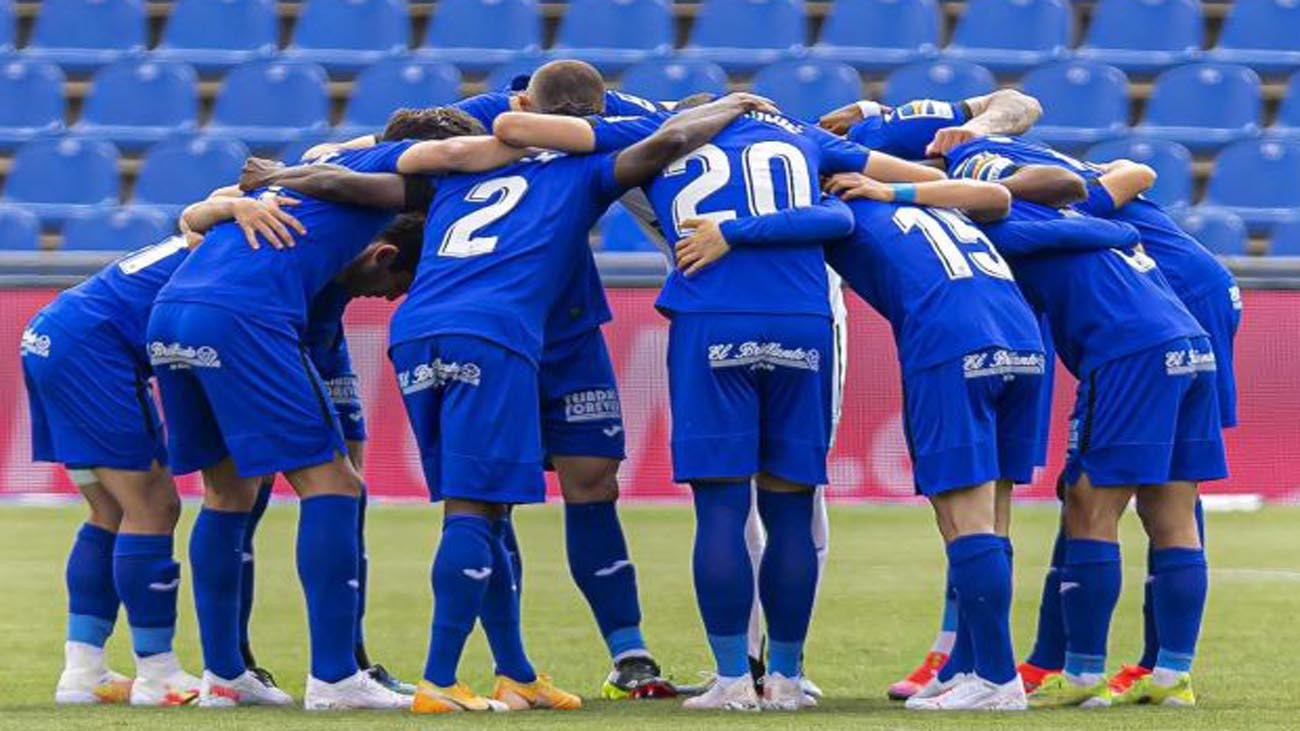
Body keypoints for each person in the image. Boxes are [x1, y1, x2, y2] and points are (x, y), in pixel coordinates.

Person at [381, 92, 776, 713]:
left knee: (541, 491)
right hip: (498, 332)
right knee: (480, 507)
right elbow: (667, 140)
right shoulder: (575, 163)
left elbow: (385, 155)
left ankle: (535, 669)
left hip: (442, 331)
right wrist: (735, 105)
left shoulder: (455, 169)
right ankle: (442, 680)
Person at [301, 62, 678, 699]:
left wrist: (285, 175)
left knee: (588, 482)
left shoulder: (491, 143)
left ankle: (613, 657)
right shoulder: (497, 133)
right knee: (483, 501)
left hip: (551, 329)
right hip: (500, 326)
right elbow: (373, 149)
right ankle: (455, 677)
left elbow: (342, 159)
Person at [146, 117, 516, 710]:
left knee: (227, 493)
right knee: (335, 484)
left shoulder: (315, 175)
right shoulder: (375, 170)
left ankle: (223, 677)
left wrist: (220, 207)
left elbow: (202, 213)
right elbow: (450, 148)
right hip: (245, 316)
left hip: (170, 315)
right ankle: (337, 678)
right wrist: (520, 142)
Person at [944, 133, 1239, 702]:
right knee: (1171, 509)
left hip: (1129, 354)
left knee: (1088, 502)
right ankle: (1172, 675)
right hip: (1192, 346)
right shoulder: (1085, 216)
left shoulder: (999, 233)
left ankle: (1082, 673)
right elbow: (1123, 220)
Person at [23, 196, 305, 707]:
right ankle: (158, 673)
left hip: (54, 331)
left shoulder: (233, 220)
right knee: (153, 506)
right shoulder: (270, 244)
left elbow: (209, 206)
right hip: (93, 347)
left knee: (108, 509)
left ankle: (83, 671)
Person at [811, 173, 1041, 710]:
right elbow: (996, 196)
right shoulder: (937, 204)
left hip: (950, 342)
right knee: (993, 516)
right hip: (1023, 340)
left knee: (963, 518)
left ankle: (997, 679)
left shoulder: (837, 209)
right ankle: (966, 662)